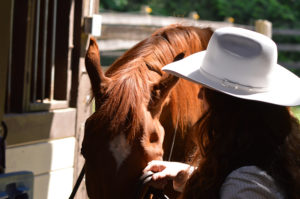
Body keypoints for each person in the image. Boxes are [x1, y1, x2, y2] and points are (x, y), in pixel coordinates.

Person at [144, 27, 300, 199]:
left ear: (226, 106)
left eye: (206, 89)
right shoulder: (269, 157)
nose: (199, 95)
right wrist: (188, 175)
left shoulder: (244, 186)